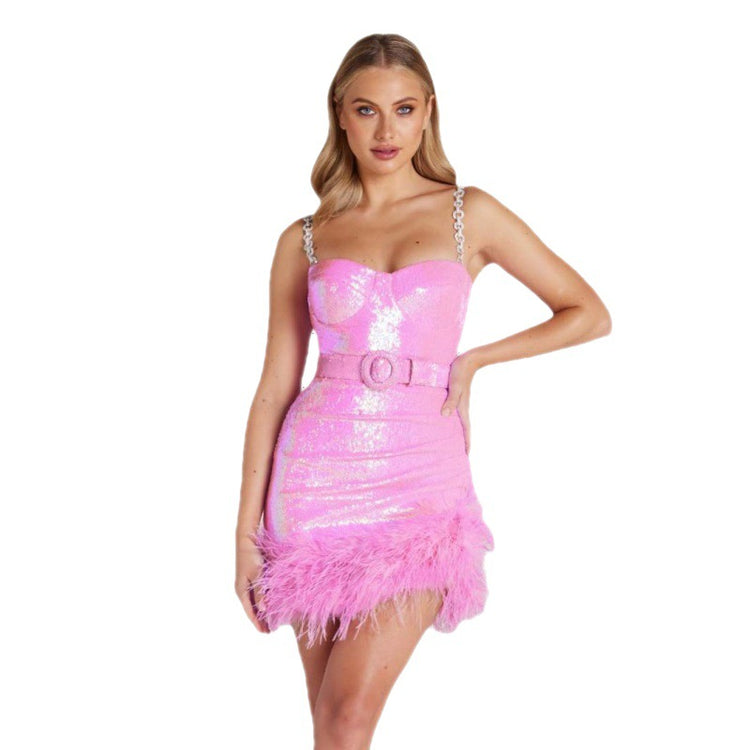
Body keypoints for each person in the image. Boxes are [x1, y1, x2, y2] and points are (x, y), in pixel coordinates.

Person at [235, 32, 612, 749]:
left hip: (420, 483)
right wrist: (243, 539)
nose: (387, 130)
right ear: (340, 115)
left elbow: (587, 312)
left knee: (348, 715)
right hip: (314, 481)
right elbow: (272, 390)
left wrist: (473, 363)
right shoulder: (305, 238)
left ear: (429, 111)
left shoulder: (471, 213)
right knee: (331, 725)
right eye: (367, 110)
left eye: (404, 109)